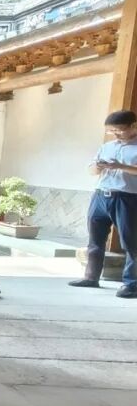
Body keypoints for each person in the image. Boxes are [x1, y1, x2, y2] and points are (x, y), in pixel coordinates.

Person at [69, 109, 137, 298]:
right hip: (101, 194)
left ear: (133, 126)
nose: (115, 134)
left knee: (131, 242)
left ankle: (131, 284)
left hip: (128, 197)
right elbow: (91, 171)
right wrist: (97, 167)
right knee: (95, 239)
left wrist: (121, 166)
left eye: (119, 130)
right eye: (111, 131)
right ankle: (91, 277)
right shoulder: (107, 146)